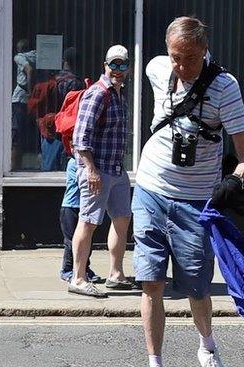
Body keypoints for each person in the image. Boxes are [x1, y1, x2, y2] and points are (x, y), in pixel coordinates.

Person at [130, 16, 244, 367]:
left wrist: (234, 181)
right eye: (175, 57)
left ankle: (208, 349)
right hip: (149, 189)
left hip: (194, 201)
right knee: (151, 282)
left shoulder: (224, 87)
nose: (180, 66)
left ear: (204, 50)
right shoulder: (155, 68)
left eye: (188, 58)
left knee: (197, 287)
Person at [68, 44, 134, 298]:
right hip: (98, 170)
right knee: (88, 221)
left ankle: (116, 274)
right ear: (105, 65)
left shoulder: (118, 93)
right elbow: (80, 137)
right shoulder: (98, 93)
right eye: (114, 64)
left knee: (122, 218)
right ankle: (78, 277)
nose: (118, 70)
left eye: (123, 65)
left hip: (116, 169)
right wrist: (91, 170)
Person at [59, 156, 103, 283]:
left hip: (85, 206)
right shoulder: (73, 163)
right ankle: (67, 270)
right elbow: (83, 182)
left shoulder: (90, 164)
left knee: (86, 239)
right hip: (70, 207)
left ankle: (85, 268)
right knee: (71, 241)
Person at [40, 48, 85, 171]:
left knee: (48, 167)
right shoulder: (75, 83)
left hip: (49, 126)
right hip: (65, 129)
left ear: (63, 60)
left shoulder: (53, 79)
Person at [11, 39, 36, 170]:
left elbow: (29, 69)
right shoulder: (37, 55)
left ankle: (15, 167)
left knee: (16, 135)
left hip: (19, 98)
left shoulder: (19, 57)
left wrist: (30, 89)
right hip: (31, 100)